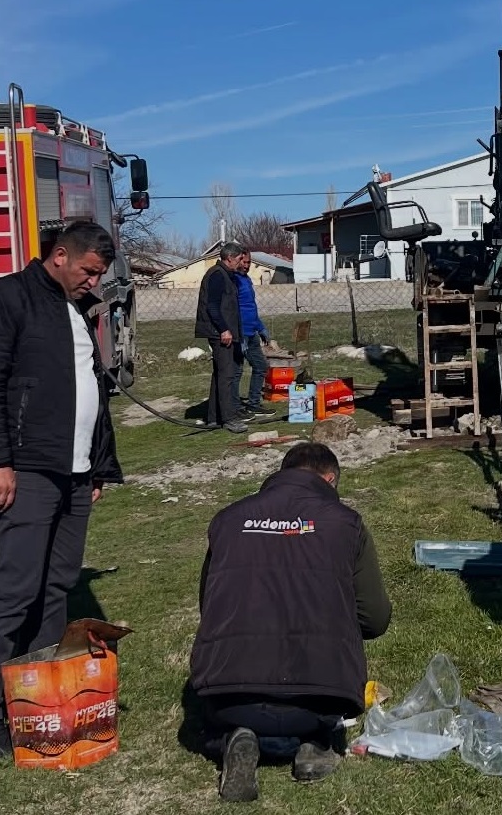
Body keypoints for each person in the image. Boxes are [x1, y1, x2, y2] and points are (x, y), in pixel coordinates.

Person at [0, 220, 124, 757]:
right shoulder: (6, 300)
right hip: (26, 469)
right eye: (88, 271)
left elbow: (85, 386)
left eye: (99, 275)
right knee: (14, 590)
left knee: (57, 585)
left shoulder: (73, 307)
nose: (93, 283)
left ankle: (37, 693)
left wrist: (95, 468)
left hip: (72, 474)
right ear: (59, 256)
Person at [189, 442, 392, 802]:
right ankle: (314, 742)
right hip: (321, 698)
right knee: (313, 712)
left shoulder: (227, 518)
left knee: (232, 715)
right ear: (329, 480)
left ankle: (237, 737)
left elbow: (211, 607)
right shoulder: (346, 523)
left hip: (229, 697)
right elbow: (374, 619)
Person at [195, 242, 249, 433]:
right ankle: (229, 418)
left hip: (223, 331)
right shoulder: (218, 276)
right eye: (239, 259)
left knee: (219, 375)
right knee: (226, 375)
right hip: (220, 333)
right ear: (229, 258)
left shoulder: (226, 275)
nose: (240, 263)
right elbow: (212, 306)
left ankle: (214, 417)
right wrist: (224, 330)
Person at [230, 256, 273, 416]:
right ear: (236, 260)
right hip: (240, 333)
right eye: (244, 262)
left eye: (249, 263)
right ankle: (234, 407)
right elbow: (233, 309)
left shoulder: (246, 279)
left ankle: (253, 403)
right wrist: (238, 333)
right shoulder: (233, 280)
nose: (247, 266)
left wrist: (261, 327)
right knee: (237, 371)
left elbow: (250, 308)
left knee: (261, 366)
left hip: (252, 331)